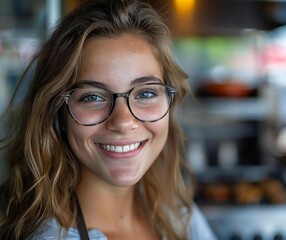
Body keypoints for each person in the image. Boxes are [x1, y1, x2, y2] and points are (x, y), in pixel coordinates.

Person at [0, 0, 217, 239]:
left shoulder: (181, 217)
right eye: (93, 97)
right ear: (57, 112)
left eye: (145, 93)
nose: (123, 121)